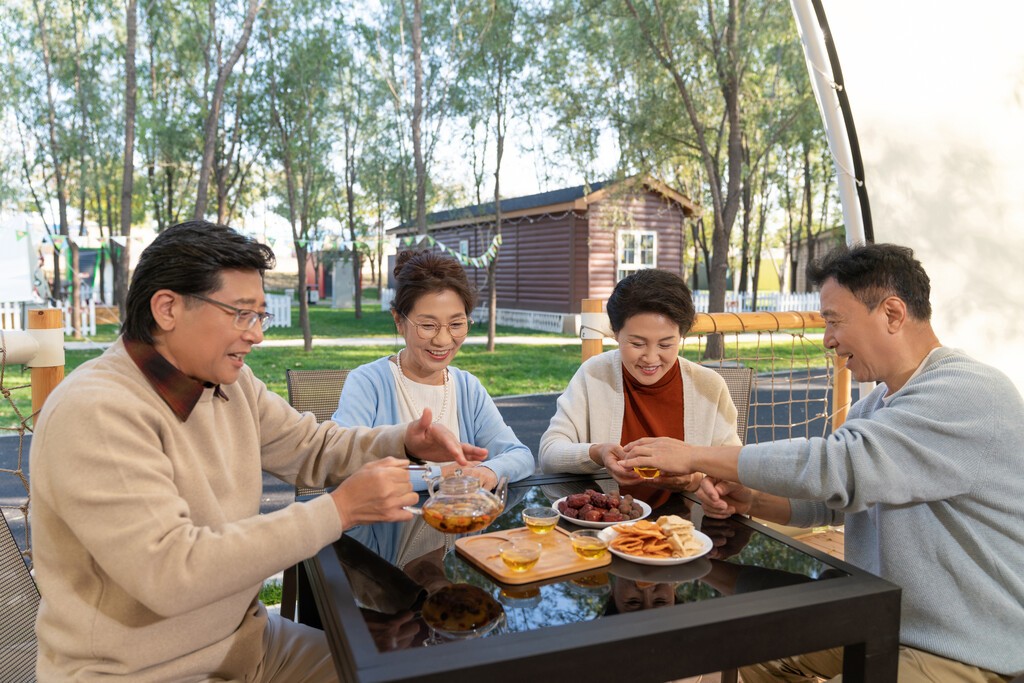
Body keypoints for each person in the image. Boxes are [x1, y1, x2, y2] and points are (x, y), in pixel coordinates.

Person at [29, 221, 487, 682]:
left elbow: (311, 446)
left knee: (417, 667)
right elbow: (172, 573)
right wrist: (338, 511)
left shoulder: (228, 382)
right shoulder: (96, 411)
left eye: (259, 316)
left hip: (248, 644)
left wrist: (403, 440)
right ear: (167, 308)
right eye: (240, 313)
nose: (257, 335)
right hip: (143, 672)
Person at [621, 243, 1024, 681]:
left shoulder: (967, 392)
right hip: (879, 620)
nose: (828, 338)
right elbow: (832, 501)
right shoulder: (880, 404)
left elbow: (838, 464)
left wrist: (694, 455)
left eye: (834, 321)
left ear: (892, 313)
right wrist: (751, 500)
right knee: (722, 658)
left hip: (964, 649)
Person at [333, 250, 534, 490]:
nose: (443, 340)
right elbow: (343, 466)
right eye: (428, 325)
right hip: (384, 525)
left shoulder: (467, 388)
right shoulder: (368, 383)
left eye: (456, 324)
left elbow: (520, 455)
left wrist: (489, 470)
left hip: (458, 524)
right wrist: (443, 474)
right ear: (399, 321)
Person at [538, 268, 741, 494]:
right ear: (615, 334)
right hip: (608, 524)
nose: (651, 358)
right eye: (637, 344)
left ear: (681, 337)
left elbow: (734, 468)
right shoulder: (594, 374)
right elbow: (549, 453)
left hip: (684, 526)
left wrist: (696, 478)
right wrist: (598, 453)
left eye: (665, 345)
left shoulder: (709, 386)